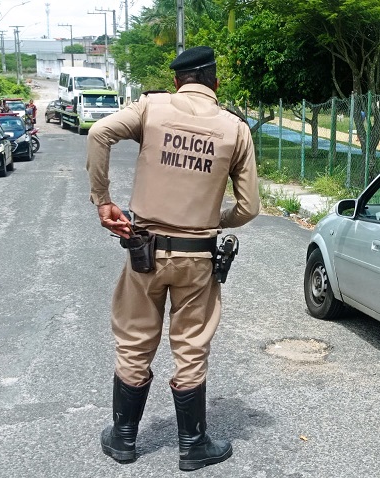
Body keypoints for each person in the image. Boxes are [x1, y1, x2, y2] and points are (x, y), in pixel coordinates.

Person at [86, 45, 260, 471]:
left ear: (180, 80)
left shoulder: (153, 108)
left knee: (134, 342)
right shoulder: (235, 129)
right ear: (215, 84)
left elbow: (98, 134)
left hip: (144, 251)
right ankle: (193, 445)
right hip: (198, 258)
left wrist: (103, 201)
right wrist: (211, 219)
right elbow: (250, 208)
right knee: (191, 347)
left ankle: (124, 440)